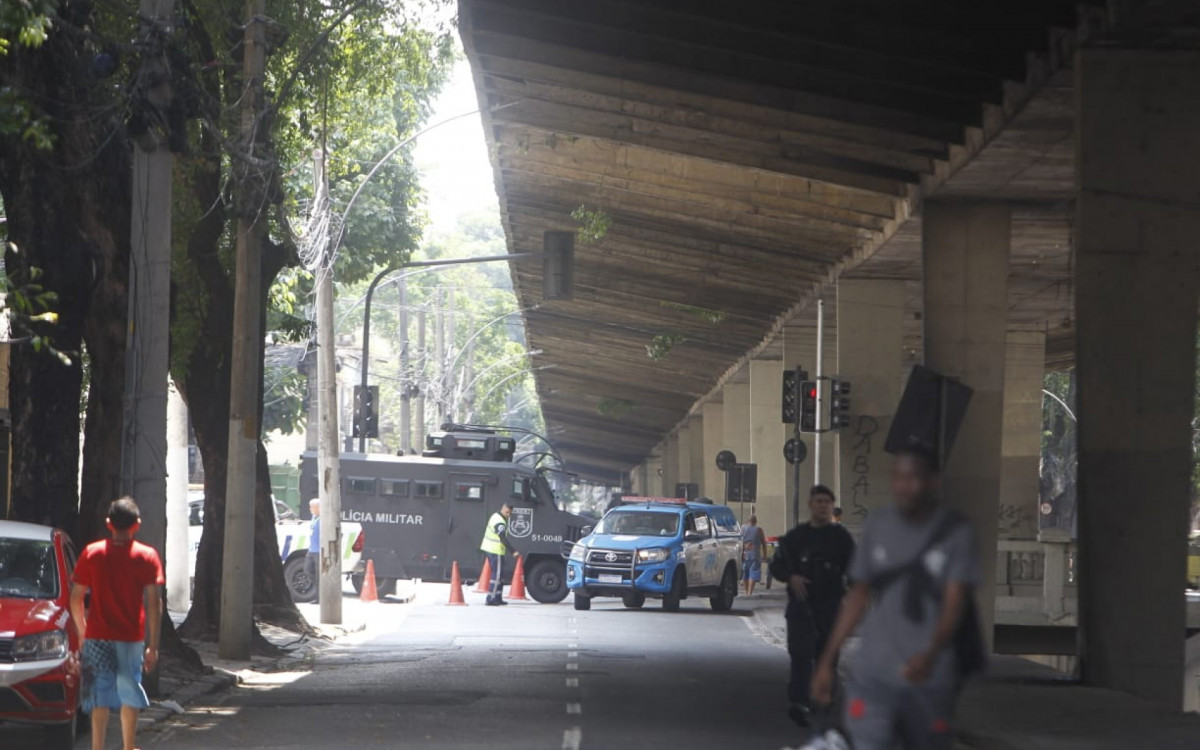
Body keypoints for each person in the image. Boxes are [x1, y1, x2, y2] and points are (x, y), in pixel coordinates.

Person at [811, 448, 980, 750]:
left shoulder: (956, 532)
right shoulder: (878, 525)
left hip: (928, 678)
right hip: (873, 672)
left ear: (933, 483)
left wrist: (930, 654)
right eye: (900, 477)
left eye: (914, 478)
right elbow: (858, 597)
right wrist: (827, 662)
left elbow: (955, 602)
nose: (906, 486)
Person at [69, 497, 164, 750]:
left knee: (98, 695)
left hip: (97, 635)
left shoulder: (92, 553)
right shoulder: (147, 556)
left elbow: (76, 598)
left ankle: (97, 747)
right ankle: (128, 746)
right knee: (129, 691)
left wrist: (82, 633)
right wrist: (153, 645)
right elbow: (154, 604)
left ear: (108, 524)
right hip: (131, 637)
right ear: (137, 525)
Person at [770, 485, 855, 728]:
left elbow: (855, 569)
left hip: (830, 606)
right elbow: (778, 566)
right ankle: (799, 702)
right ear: (811, 505)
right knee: (800, 656)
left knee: (827, 657)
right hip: (801, 606)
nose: (823, 506)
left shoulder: (840, 538)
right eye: (819, 501)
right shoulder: (796, 537)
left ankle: (823, 700)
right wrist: (791, 577)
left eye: (827, 502)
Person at [480, 503, 512, 606]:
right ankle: (490, 598)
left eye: (510, 513)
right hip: (495, 550)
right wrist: (513, 551)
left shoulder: (496, 516)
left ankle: (497, 597)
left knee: (500, 575)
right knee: (497, 575)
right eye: (507, 512)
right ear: (503, 509)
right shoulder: (499, 521)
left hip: (492, 549)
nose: (508, 515)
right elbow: (502, 537)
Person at [741, 514, 767, 595]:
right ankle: (750, 592)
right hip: (755, 555)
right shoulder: (759, 530)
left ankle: (746, 592)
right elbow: (764, 544)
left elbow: (739, 541)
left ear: (748, 521)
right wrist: (765, 556)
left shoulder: (742, 529)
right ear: (755, 522)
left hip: (744, 555)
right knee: (753, 573)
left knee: (745, 573)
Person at [307, 498, 321, 601]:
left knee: (318, 574)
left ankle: (319, 597)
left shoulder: (322, 519)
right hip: (311, 549)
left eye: (312, 507)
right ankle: (319, 587)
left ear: (317, 508)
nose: (310, 509)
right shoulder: (314, 517)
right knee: (307, 570)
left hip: (318, 551)